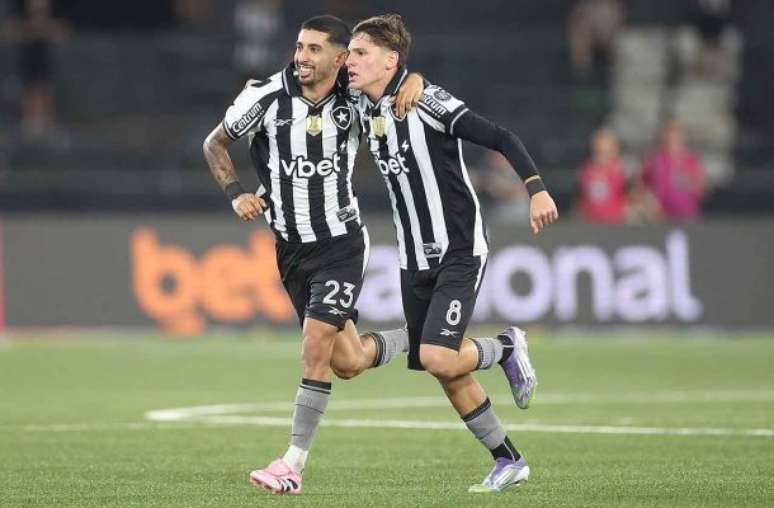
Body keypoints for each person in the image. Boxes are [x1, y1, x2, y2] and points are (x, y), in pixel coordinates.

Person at [202, 15, 424, 495]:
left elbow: (396, 81)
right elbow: (214, 143)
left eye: (314, 49)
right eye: (299, 47)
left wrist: (417, 80)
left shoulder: (356, 96)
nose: (302, 56)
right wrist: (237, 194)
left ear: (340, 58)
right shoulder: (265, 97)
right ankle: (422, 336)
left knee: (315, 345)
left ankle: (292, 464)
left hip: (341, 244)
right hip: (291, 250)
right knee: (349, 361)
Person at [346, 14, 558, 493]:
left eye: (360, 53)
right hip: (412, 257)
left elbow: (501, 137)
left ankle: (506, 347)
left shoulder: (428, 101)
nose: (350, 61)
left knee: (440, 356)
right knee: (442, 366)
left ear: (390, 60)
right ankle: (508, 460)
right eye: (350, 53)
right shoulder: (360, 104)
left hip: (457, 247)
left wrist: (537, 189)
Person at [638, 120, 707, 221]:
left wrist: (690, 183)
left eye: (675, 137)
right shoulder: (655, 159)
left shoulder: (691, 160)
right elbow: (641, 184)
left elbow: (703, 187)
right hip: (661, 217)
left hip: (687, 215)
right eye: (669, 137)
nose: (672, 141)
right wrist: (649, 200)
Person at [576, 127, 629, 223]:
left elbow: (628, 195)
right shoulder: (587, 170)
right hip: (590, 220)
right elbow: (582, 197)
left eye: (606, 153)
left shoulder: (619, 171)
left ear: (615, 152)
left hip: (614, 220)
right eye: (598, 153)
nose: (602, 158)